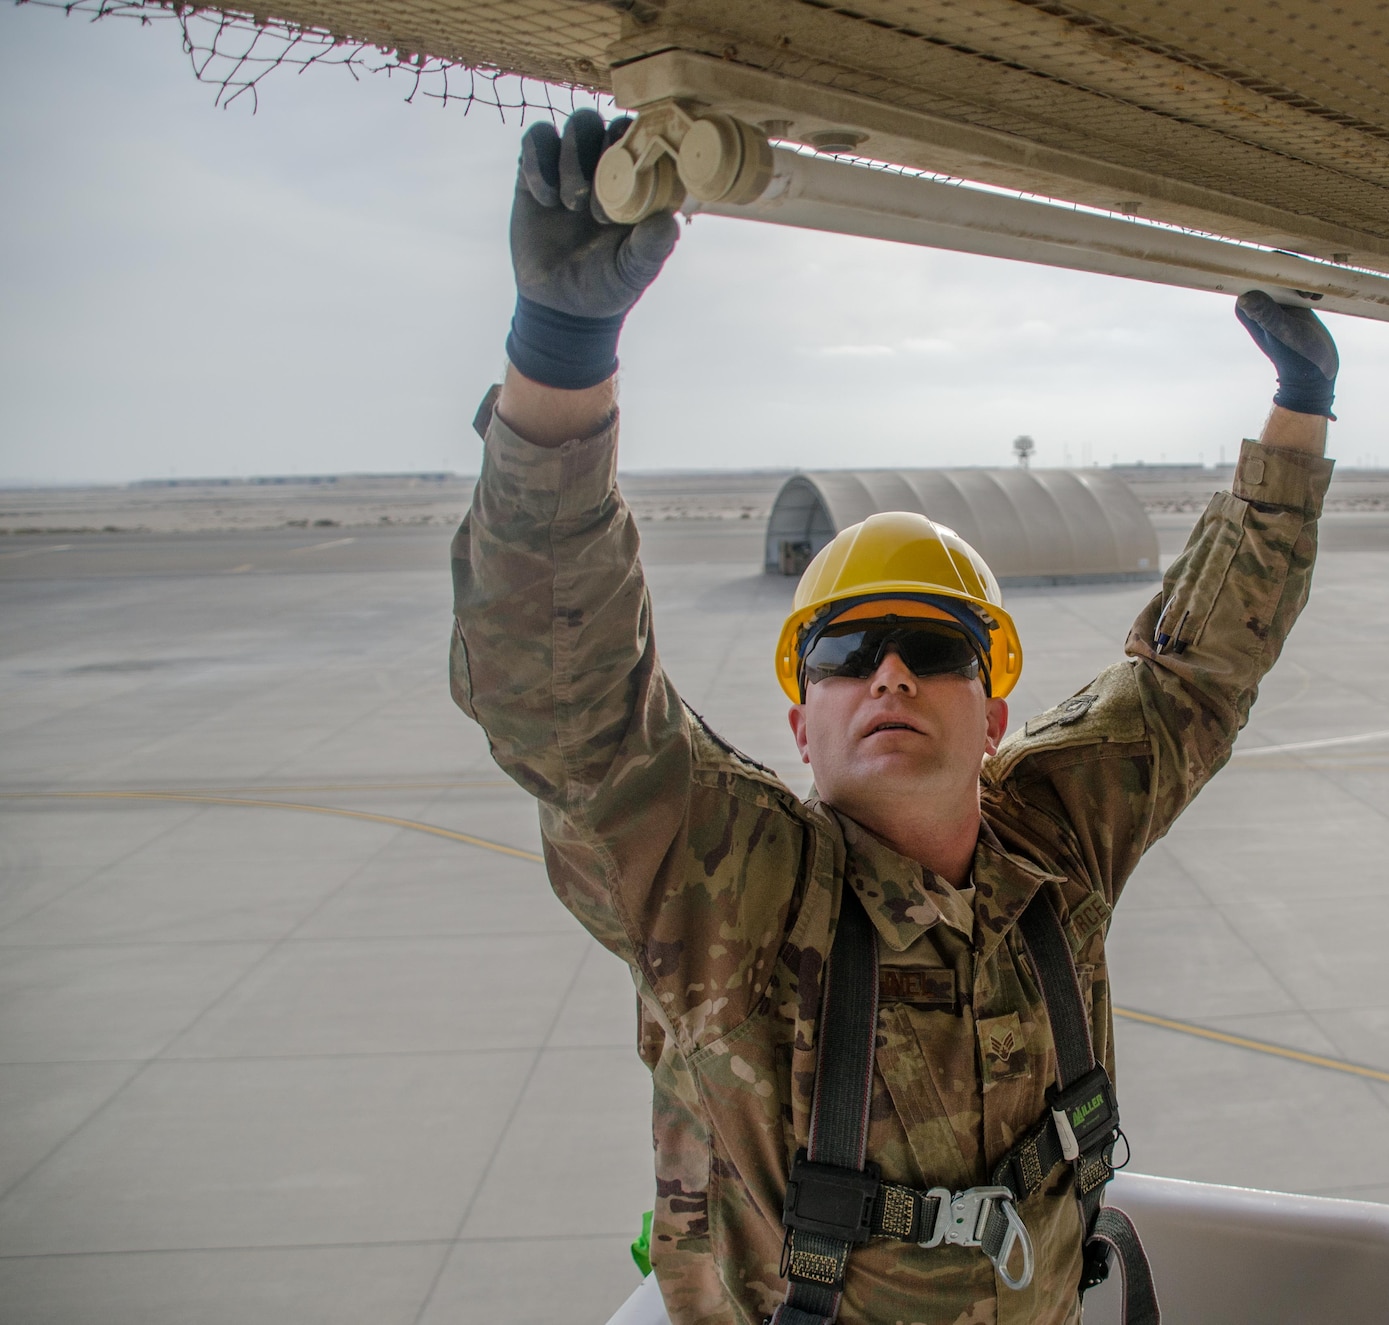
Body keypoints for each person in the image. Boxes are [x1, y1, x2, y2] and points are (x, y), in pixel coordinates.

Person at [451, 110, 1339, 1325]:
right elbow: (568, 712)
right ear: (799, 719)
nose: (890, 675)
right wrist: (557, 358)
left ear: (996, 708)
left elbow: (1193, 680)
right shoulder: (736, 899)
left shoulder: (1054, 844)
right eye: (844, 652)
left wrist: (1296, 416)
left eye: (933, 648)